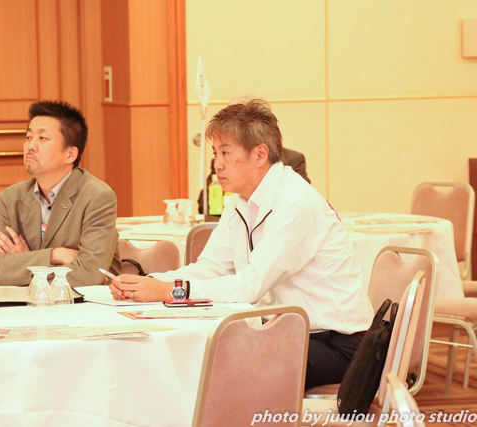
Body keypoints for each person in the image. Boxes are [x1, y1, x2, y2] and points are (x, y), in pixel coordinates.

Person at [110, 99, 374, 389]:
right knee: (190, 355)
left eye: (226, 152)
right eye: (215, 153)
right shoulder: (239, 202)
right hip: (285, 332)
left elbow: (250, 286)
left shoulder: (296, 202)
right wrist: (148, 283)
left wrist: (169, 292)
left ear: (260, 154)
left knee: (223, 365)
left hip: (337, 344)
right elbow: (210, 268)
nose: (217, 164)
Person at [0, 100, 120, 287]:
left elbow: (89, 275)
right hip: (26, 302)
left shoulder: (97, 196)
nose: (31, 146)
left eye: (43, 138)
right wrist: (54, 255)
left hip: (83, 302)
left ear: (70, 155)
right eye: (29, 137)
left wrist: (25, 261)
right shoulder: (10, 198)